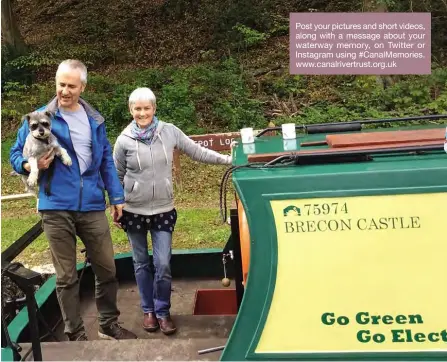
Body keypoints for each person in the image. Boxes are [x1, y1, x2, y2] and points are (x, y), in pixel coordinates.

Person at [10, 59, 137, 341]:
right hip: (55, 205)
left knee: (107, 268)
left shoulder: (94, 119)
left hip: (91, 204)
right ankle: (75, 334)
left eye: (71, 86)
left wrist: (116, 196)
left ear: (83, 86)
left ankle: (107, 323)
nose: (64, 91)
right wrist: (29, 166)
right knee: (66, 277)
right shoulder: (40, 117)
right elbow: (15, 154)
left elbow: (104, 160)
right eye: (60, 84)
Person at [113, 87, 232, 335]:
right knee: (141, 263)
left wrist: (228, 160)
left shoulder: (169, 132)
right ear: (130, 110)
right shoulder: (123, 140)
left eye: (147, 108)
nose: (142, 113)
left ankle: (163, 311)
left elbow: (197, 151)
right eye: (137, 108)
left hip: (163, 209)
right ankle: (148, 311)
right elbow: (116, 175)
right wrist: (115, 204)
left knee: (163, 263)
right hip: (133, 210)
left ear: (154, 109)